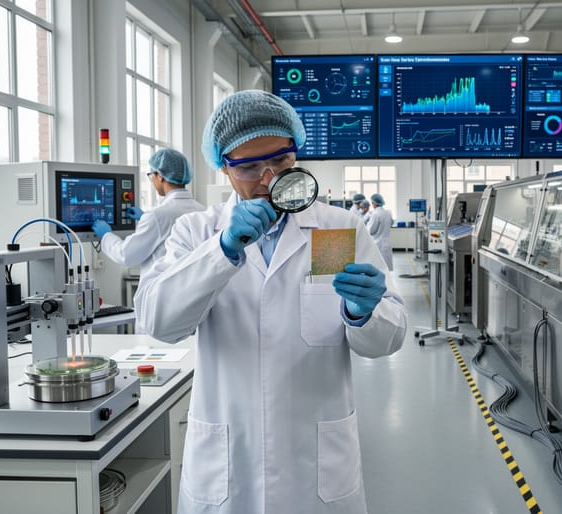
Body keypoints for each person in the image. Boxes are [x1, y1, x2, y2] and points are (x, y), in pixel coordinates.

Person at [134, 89, 407, 514]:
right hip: (229, 461)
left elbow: (387, 339)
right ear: (224, 166)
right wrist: (221, 251)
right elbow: (160, 322)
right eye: (249, 167)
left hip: (315, 463)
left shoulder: (335, 229)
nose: (268, 179)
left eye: (281, 162)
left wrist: (364, 313)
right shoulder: (198, 232)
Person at [92, 148, 205, 277]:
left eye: (151, 175)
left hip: (162, 287)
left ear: (160, 176)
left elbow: (125, 255)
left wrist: (106, 235)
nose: (152, 180)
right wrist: (144, 217)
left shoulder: (156, 216)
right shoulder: (202, 210)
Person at [366, 193, 393, 271]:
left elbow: (371, 230)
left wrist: (367, 225)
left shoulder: (375, 214)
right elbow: (391, 223)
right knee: (386, 268)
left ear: (374, 203)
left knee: (378, 268)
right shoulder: (388, 213)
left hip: (378, 243)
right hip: (387, 243)